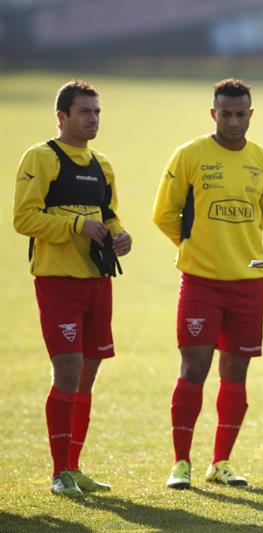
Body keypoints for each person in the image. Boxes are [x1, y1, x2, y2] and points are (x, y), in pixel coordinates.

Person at [153, 78, 263, 490]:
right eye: (226, 114)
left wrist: (231, 245)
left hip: (247, 283)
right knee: (194, 368)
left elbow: (260, 216)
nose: (234, 121)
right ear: (213, 114)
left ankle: (221, 462)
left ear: (251, 115)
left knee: (235, 375)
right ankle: (181, 463)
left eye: (241, 114)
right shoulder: (189, 155)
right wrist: (197, 247)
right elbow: (164, 214)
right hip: (201, 281)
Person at [13, 80, 132, 496]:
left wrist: (121, 236)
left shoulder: (103, 164)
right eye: (85, 112)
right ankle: (59, 472)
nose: (93, 119)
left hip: (98, 283)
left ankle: (75, 467)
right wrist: (76, 225)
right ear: (61, 116)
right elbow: (24, 219)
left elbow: (110, 214)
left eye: (97, 112)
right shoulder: (41, 158)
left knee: (88, 373)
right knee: (67, 369)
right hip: (58, 281)